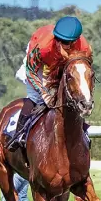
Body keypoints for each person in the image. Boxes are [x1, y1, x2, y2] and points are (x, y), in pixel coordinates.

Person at [9, 15, 91, 151]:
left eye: (64, 41)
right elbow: (31, 72)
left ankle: (83, 132)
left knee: (72, 96)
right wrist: (44, 92)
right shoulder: (43, 46)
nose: (58, 43)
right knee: (36, 97)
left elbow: (85, 74)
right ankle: (19, 134)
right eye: (57, 39)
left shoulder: (84, 49)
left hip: (66, 63)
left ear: (74, 42)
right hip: (40, 63)